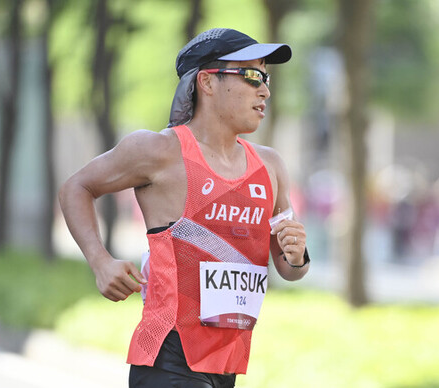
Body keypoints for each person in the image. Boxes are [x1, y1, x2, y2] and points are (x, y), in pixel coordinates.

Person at [59, 28, 310, 388]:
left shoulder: (270, 166)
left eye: (266, 78)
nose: (265, 90)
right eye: (253, 75)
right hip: (168, 355)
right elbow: (75, 188)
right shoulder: (159, 151)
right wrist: (100, 261)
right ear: (207, 82)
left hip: (227, 364)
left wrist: (298, 254)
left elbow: (290, 268)